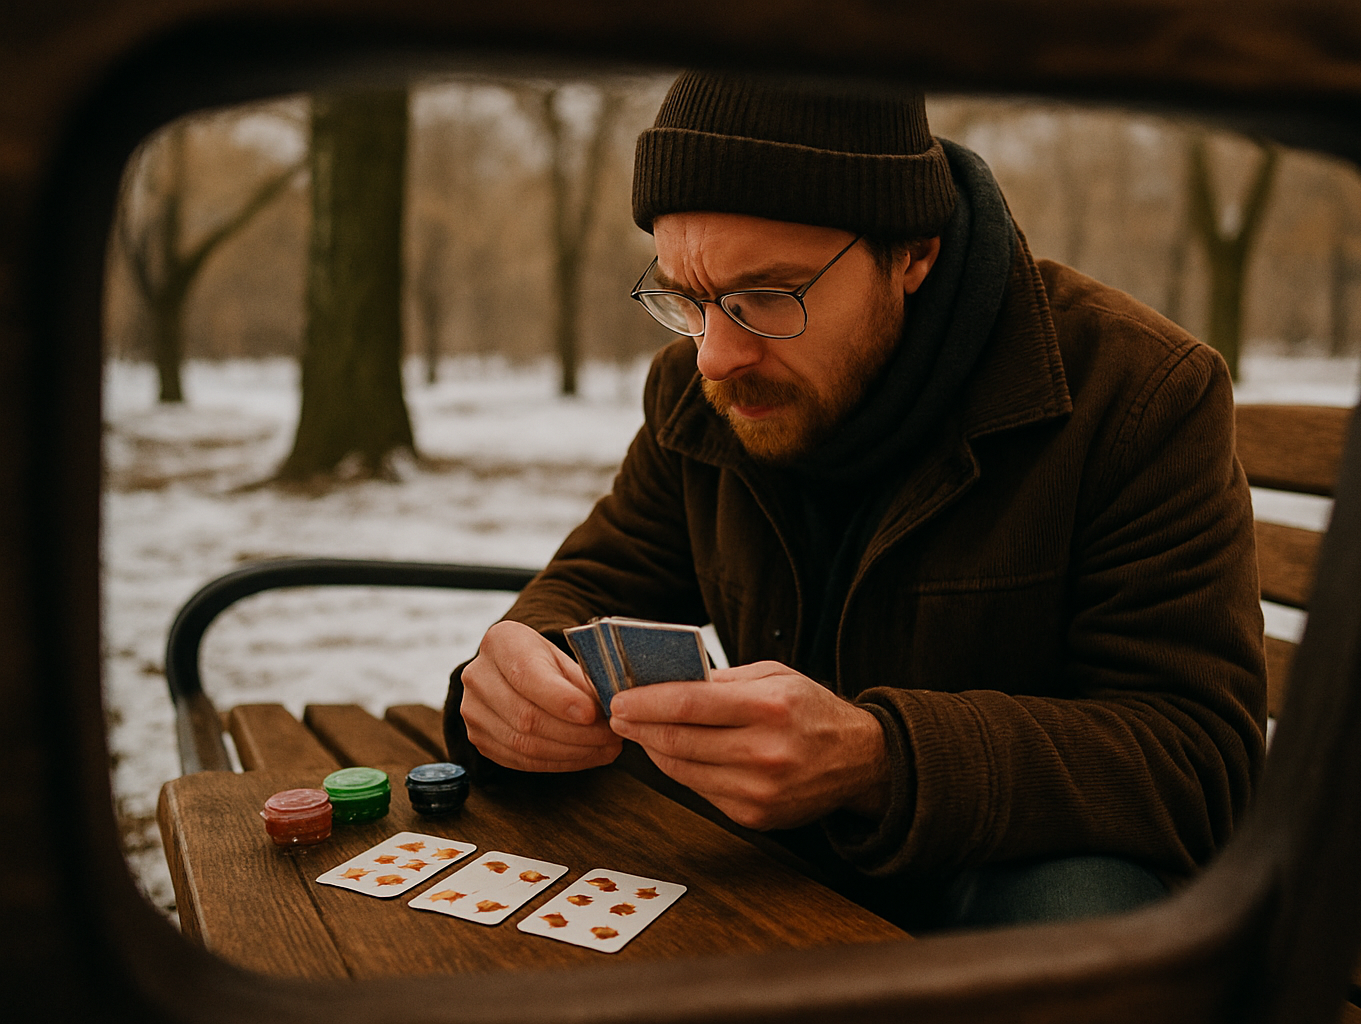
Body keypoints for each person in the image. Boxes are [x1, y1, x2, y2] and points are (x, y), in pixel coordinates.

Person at [445, 71, 1267, 931]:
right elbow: (599, 582)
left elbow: (1199, 759)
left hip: (1002, 885)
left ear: (912, 254)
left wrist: (879, 761)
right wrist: (521, 673)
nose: (715, 356)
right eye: (688, 298)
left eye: (767, 296)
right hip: (772, 869)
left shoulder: (1138, 393)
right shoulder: (699, 390)